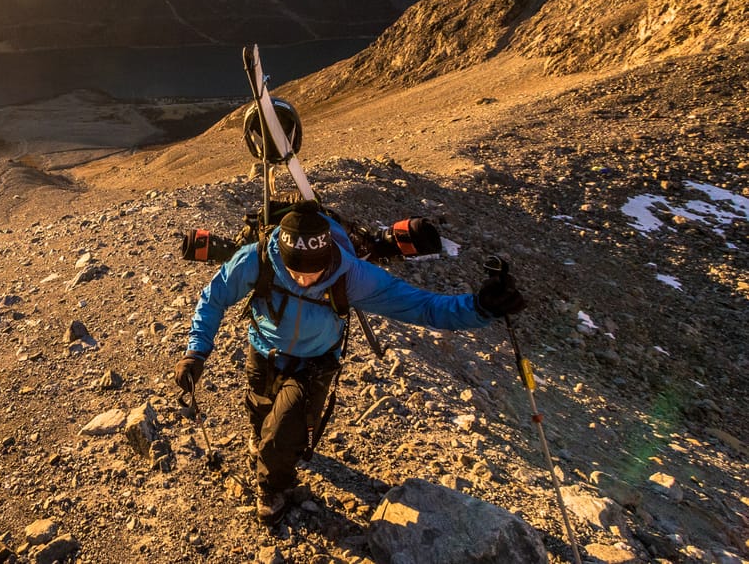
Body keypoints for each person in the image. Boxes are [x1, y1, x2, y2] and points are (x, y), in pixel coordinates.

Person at [172, 199, 525, 523]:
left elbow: (422, 306)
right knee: (259, 409)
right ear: (281, 253)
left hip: (313, 364)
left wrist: (480, 308)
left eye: (313, 273)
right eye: (295, 272)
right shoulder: (258, 258)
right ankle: (260, 442)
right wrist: (196, 353)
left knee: (284, 434)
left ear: (328, 256)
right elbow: (213, 298)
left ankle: (274, 488)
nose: (304, 280)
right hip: (263, 351)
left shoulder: (351, 274)